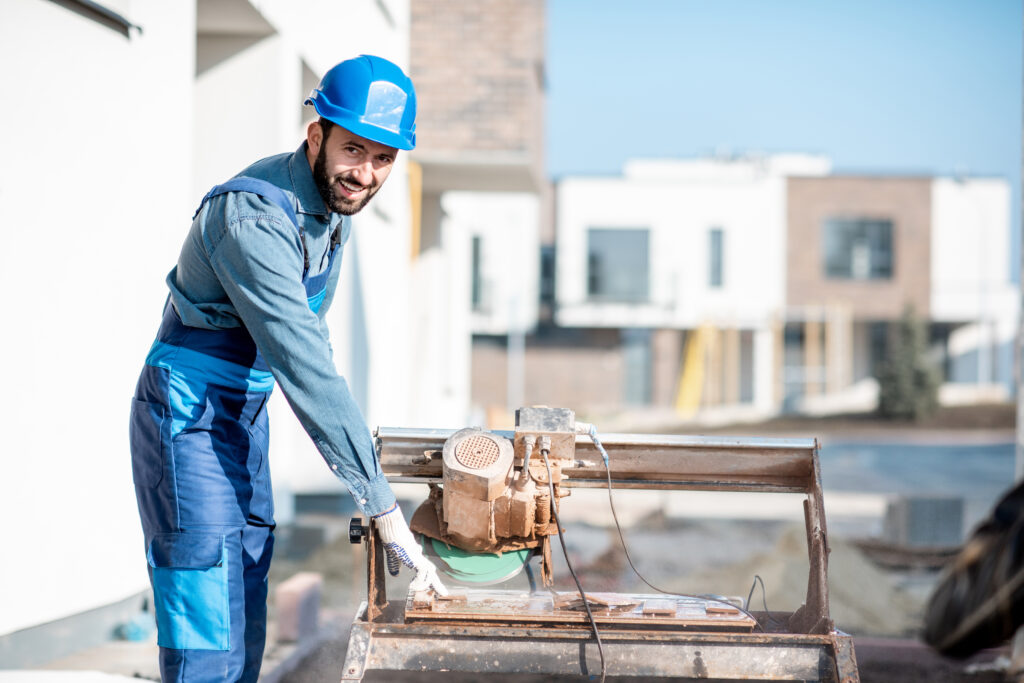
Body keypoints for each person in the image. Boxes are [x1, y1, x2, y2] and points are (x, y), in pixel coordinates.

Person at [128, 54, 446, 681]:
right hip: (188, 411)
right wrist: (381, 504)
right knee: (206, 607)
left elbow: (312, 353)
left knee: (246, 590)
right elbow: (302, 358)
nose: (366, 173)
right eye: (355, 149)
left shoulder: (331, 214)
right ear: (315, 135)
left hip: (245, 414)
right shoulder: (253, 217)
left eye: (384, 158)